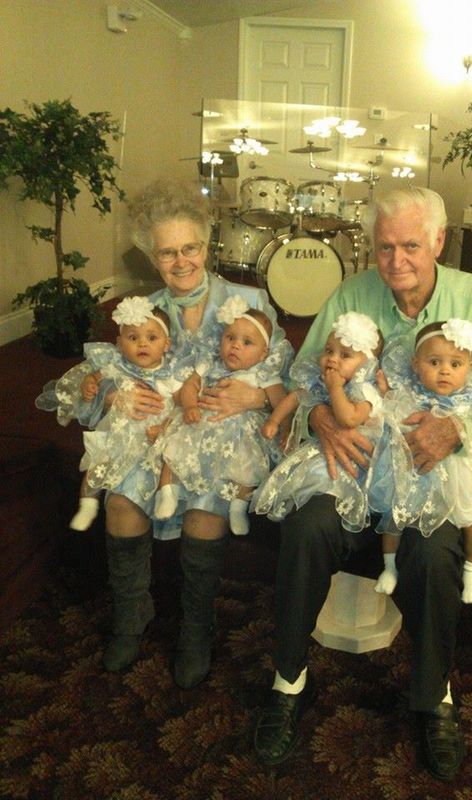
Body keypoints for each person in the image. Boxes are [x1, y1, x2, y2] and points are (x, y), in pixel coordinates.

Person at [252, 186, 472, 781]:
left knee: (433, 555)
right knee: (306, 527)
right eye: (385, 247)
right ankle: (288, 679)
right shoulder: (352, 293)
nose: (396, 260)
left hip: (432, 475)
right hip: (356, 468)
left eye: (410, 245)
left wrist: (458, 431)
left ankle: (433, 695)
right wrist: (318, 415)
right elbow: (306, 371)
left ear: (439, 241)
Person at [52, 178, 292, 689]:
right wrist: (114, 396)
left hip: (222, 430)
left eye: (190, 248)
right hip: (156, 428)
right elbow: (112, 369)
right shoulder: (145, 309)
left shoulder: (249, 299)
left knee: (205, 505)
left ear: (207, 245)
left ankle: (196, 628)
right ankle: (131, 614)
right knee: (121, 500)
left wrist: (254, 398)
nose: (181, 261)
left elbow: (288, 377)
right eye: (167, 253)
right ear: (152, 257)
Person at [370, 318, 472, 602]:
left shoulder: (471, 399)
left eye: (455, 364)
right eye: (434, 362)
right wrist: (383, 390)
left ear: (468, 368)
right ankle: (389, 568)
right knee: (394, 518)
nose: (445, 370)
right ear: (415, 365)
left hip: (460, 476)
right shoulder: (412, 393)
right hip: (415, 472)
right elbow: (389, 405)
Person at [36, 296, 188, 532]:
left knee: (167, 461)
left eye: (151, 338)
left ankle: (166, 494)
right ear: (119, 343)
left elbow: (181, 406)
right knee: (97, 465)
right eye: (133, 338)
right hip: (119, 431)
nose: (142, 344)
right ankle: (87, 505)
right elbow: (95, 376)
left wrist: (165, 428)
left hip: (153, 434)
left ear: (166, 344)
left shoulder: (170, 373)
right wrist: (89, 383)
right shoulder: (117, 365)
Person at [155, 294, 290, 536]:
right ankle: (167, 493)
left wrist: (275, 421)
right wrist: (189, 406)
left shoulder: (263, 373)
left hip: (241, 434)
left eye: (247, 342)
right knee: (174, 449)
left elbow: (282, 401)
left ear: (263, 353)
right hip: (201, 422)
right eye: (230, 338)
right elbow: (190, 385)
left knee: (248, 464)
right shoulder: (210, 363)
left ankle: (238, 506)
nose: (235, 346)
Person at [251, 311, 384, 534]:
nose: (332, 359)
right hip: (320, 449)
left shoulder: (364, 392)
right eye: (329, 351)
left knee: (327, 484)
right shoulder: (320, 381)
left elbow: (349, 419)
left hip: (354, 460)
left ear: (366, 365)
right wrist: (274, 420)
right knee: (306, 485)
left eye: (345, 355)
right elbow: (296, 397)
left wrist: (335, 388)